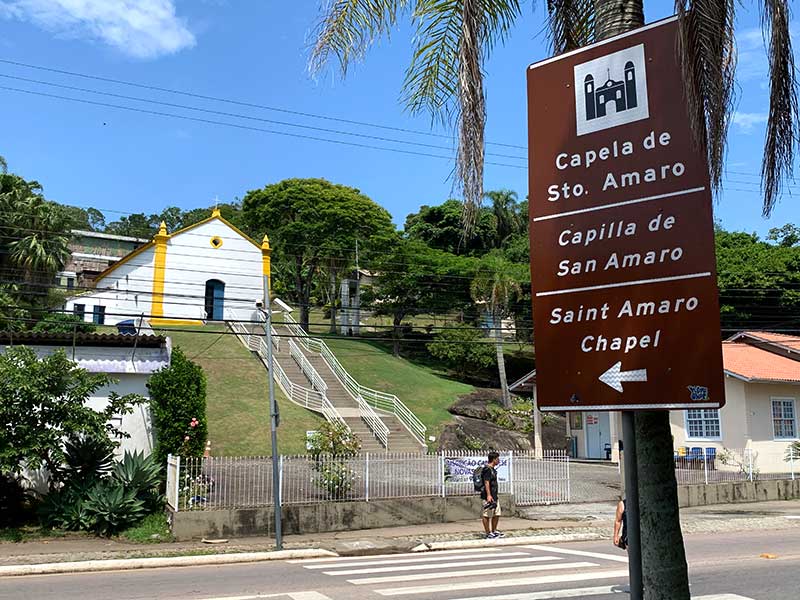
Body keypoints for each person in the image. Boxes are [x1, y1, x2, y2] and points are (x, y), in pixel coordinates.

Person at [481, 451, 504, 539]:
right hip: (488, 496)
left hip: (495, 495)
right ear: (493, 459)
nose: (499, 460)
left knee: (497, 513)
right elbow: (486, 482)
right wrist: (488, 495)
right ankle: (488, 533)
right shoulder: (487, 469)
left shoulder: (493, 470)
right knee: (487, 514)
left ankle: (494, 530)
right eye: (497, 459)